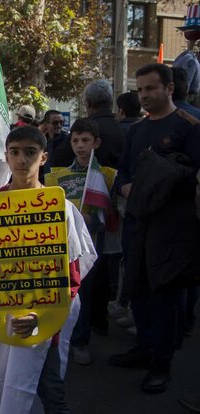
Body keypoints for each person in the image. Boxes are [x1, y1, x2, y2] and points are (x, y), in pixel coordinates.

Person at [0, 125, 96, 414]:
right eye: (15, 152)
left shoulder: (59, 209)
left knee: (49, 388)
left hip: (43, 323)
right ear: (6, 157)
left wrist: (44, 315)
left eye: (30, 153)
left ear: (44, 157)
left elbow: (71, 275)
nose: (22, 160)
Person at [111, 63, 200, 394]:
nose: (144, 95)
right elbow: (121, 173)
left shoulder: (189, 127)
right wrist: (124, 188)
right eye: (140, 90)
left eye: (151, 89)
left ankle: (161, 365)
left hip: (173, 229)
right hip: (138, 225)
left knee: (165, 299)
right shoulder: (135, 130)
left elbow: (194, 177)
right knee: (138, 292)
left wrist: (164, 179)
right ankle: (144, 349)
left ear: (169, 89)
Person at [45, 118, 118, 365]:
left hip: (92, 245)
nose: (80, 145)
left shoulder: (105, 175)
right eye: (75, 140)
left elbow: (108, 215)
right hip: (64, 243)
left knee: (85, 292)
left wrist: (91, 220)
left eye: (85, 140)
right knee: (66, 292)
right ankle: (59, 337)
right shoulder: (58, 176)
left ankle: (80, 340)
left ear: (96, 142)